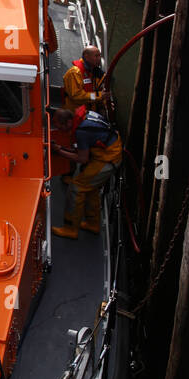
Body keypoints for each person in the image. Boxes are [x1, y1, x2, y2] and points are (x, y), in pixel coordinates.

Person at [50, 105, 122, 238]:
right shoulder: (85, 116)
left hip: (107, 159)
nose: (61, 131)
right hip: (107, 152)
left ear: (69, 122)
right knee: (90, 188)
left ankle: (70, 228)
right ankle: (92, 224)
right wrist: (62, 148)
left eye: (62, 128)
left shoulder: (81, 131)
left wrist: (59, 151)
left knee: (76, 188)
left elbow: (82, 159)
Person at [62, 45, 105, 113]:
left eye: (99, 56)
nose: (99, 58)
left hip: (89, 111)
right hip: (75, 113)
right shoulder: (75, 73)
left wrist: (105, 102)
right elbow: (76, 96)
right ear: (86, 57)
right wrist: (99, 96)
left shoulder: (95, 72)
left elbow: (98, 89)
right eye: (96, 56)